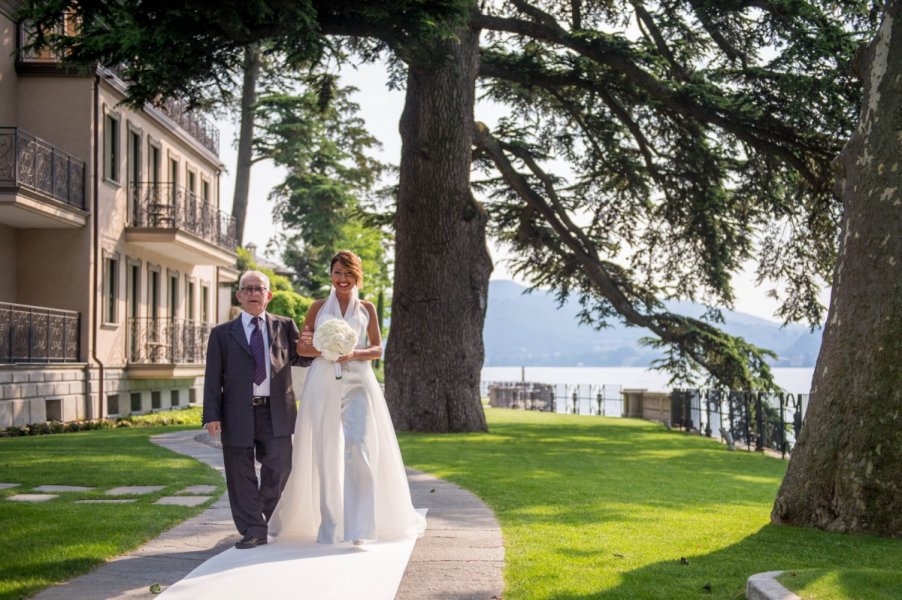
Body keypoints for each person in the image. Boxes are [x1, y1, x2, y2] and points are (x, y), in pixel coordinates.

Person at [269, 250, 425, 545]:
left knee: (360, 448)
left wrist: (353, 353)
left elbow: (377, 349)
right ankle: (331, 526)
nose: (342, 279)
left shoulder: (367, 308)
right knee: (326, 452)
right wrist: (327, 349)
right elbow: (302, 349)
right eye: (338, 273)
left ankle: (360, 529)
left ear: (357, 276)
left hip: (358, 383)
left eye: (348, 273)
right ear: (331, 275)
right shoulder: (317, 307)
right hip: (323, 383)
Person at [203, 270, 311, 549]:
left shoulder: (284, 326)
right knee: (240, 472)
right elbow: (212, 376)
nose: (253, 293)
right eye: (247, 289)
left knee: (280, 464)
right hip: (236, 412)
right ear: (239, 295)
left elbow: (302, 358)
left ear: (268, 295)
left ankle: (265, 513)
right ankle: (253, 528)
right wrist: (211, 415)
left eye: (258, 289)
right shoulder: (222, 334)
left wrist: (325, 342)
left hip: (275, 410)